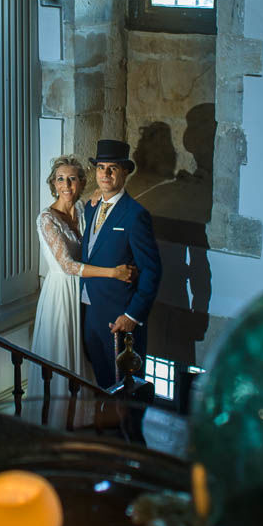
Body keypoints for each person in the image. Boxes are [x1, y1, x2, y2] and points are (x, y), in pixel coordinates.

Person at [29, 156, 136, 400]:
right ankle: (57, 413)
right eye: (60, 179)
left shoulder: (83, 210)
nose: (66, 185)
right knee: (63, 352)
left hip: (85, 291)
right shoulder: (46, 219)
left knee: (86, 352)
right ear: (53, 184)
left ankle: (83, 411)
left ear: (80, 183)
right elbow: (67, 265)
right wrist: (113, 272)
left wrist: (100, 192)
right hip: (61, 293)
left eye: (72, 179)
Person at [78, 139, 162, 389]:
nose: (105, 174)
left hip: (119, 316)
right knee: (101, 384)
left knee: (124, 388)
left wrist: (132, 315)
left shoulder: (136, 215)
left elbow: (152, 270)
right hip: (89, 310)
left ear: (124, 171)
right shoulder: (91, 209)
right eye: (101, 167)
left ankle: (128, 430)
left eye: (112, 168)